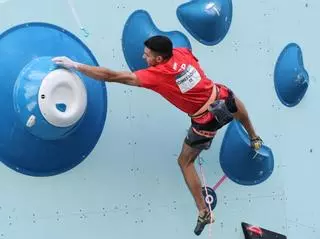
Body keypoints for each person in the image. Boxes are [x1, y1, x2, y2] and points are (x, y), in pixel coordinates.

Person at [52, 35, 263, 235]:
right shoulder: (182, 52)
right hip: (221, 98)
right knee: (231, 97)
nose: (144, 57)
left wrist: (76, 66)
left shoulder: (156, 75)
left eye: (147, 55)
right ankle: (254, 137)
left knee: (185, 162)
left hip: (205, 121)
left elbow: (112, 76)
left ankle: (202, 211)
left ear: (159, 58)